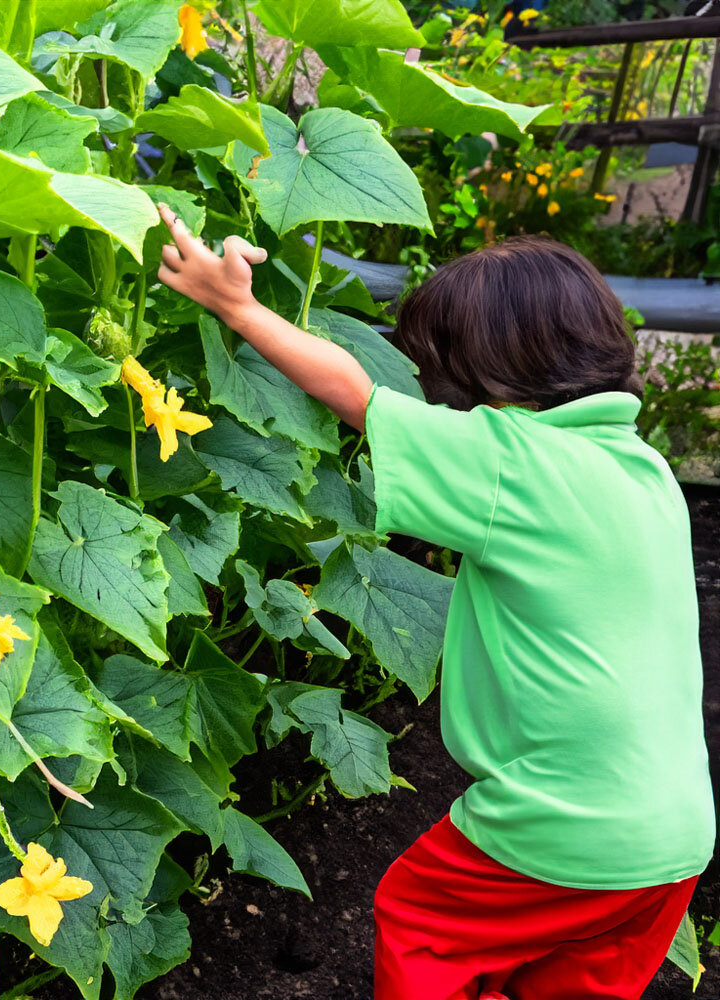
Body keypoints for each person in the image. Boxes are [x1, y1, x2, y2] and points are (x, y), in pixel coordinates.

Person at [154, 203, 716, 1000]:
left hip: (562, 818)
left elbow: (357, 395)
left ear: (489, 376)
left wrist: (235, 304)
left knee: (420, 919)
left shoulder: (513, 460)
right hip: (676, 835)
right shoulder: (648, 471)